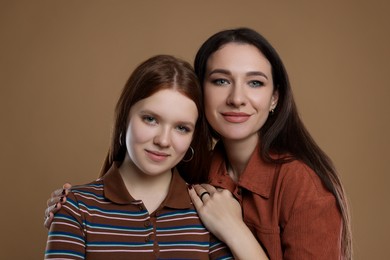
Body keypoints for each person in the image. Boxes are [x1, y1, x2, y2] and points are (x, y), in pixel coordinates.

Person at [45, 28, 352, 259]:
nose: (236, 97)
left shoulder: (303, 184)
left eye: (255, 82)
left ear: (275, 98)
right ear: (200, 93)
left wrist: (236, 231)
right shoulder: (193, 170)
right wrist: (72, 205)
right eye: (220, 80)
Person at [44, 55, 234, 259]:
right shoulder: (75, 208)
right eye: (150, 119)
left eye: (181, 128)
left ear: (192, 137)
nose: (163, 140)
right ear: (125, 117)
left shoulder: (208, 211)